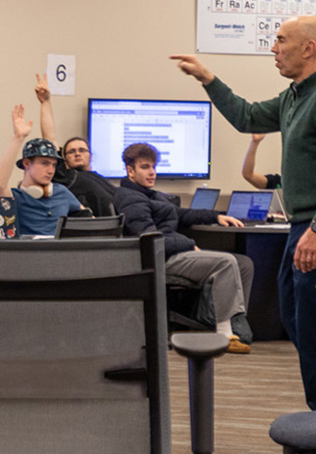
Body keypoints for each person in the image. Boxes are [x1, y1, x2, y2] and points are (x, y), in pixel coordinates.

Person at [171, 15, 316, 410]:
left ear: (308, 48)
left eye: (280, 40)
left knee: (313, 329)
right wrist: (209, 79)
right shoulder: (296, 95)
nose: (273, 48)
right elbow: (246, 117)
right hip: (305, 226)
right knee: (297, 323)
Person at [113, 142, 254, 354]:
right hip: (159, 259)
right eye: (145, 167)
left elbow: (182, 214)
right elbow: (150, 238)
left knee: (244, 264)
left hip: (172, 252)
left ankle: (228, 321)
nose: (152, 173)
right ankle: (225, 334)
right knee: (225, 262)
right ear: (130, 170)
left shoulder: (150, 195)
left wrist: (216, 216)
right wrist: (189, 244)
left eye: (153, 167)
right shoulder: (131, 199)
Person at [35, 74, 117, 216]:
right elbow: (50, 138)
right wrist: (45, 102)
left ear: (90, 155)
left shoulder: (102, 180)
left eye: (82, 150)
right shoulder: (67, 178)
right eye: (71, 152)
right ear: (64, 159)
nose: (77, 153)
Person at [0, 105, 85, 236]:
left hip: (59, 254)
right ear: (27, 163)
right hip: (26, 254)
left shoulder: (62, 192)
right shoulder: (15, 197)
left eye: (53, 165)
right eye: (45, 164)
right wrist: (18, 137)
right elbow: (1, 184)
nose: (51, 171)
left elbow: (91, 223)